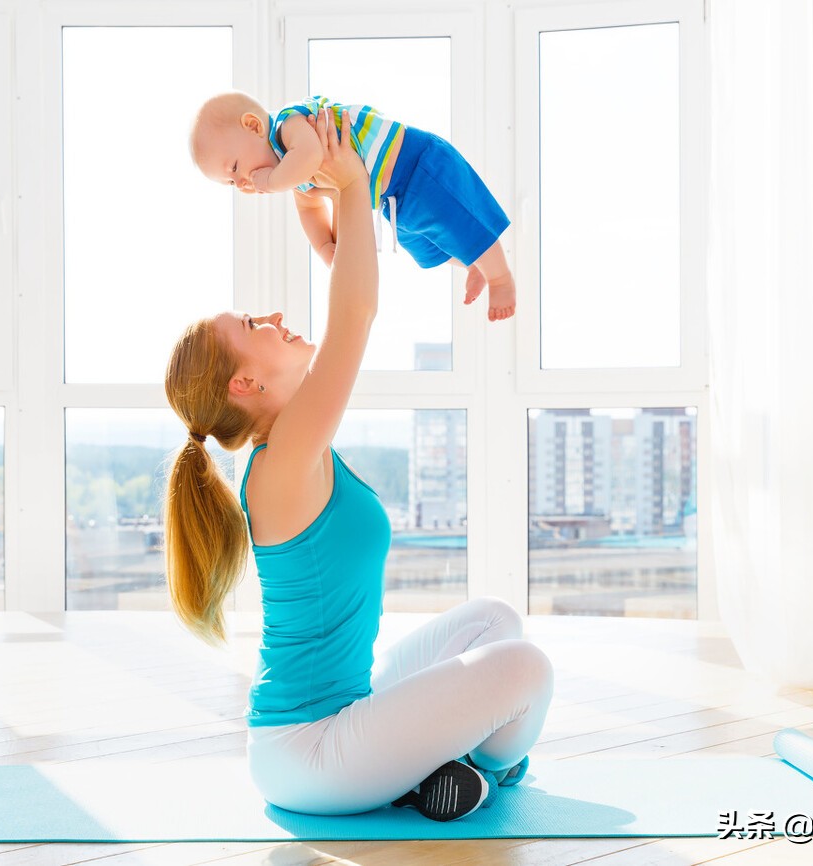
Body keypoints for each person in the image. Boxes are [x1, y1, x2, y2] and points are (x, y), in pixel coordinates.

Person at [165, 109, 552, 821]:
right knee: (525, 669)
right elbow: (355, 314)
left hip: (349, 713)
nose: (272, 316)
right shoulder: (282, 462)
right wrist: (350, 183)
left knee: (494, 621)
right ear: (244, 384)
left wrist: (328, 198)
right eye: (252, 326)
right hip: (308, 753)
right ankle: (477, 765)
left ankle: (436, 767)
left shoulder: (295, 446)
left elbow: (347, 281)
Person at [189, 91, 516, 322]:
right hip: (392, 198)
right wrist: (325, 248)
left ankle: (500, 278)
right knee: (427, 246)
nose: (242, 183)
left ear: (253, 125)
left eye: (235, 168)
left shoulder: (287, 126)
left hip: (418, 165)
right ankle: (474, 263)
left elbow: (310, 156)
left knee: (458, 222)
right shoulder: (293, 173)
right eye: (231, 183)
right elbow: (309, 209)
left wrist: (272, 181)